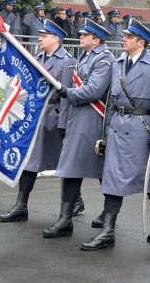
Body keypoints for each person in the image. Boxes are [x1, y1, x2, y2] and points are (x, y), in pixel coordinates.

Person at [80, 19, 150, 250]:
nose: (124, 39)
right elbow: (111, 101)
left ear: (141, 42)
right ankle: (108, 231)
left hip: (142, 129)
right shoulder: (118, 63)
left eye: (129, 37)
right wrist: (107, 130)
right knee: (112, 178)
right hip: (119, 127)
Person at [43, 19, 115, 238]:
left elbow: (93, 90)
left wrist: (68, 93)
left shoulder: (105, 59)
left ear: (96, 39)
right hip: (78, 118)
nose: (80, 37)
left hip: (93, 119)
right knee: (72, 168)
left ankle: (108, 213)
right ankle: (65, 218)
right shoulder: (86, 56)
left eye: (85, 35)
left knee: (103, 170)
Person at [0, 19, 75, 223]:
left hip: (53, 116)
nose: (40, 38)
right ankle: (21, 205)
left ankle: (74, 203)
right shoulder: (39, 56)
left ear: (56, 39)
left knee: (67, 164)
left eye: (45, 35)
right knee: (30, 162)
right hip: (36, 116)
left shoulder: (67, 61)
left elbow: (68, 94)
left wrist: (63, 122)